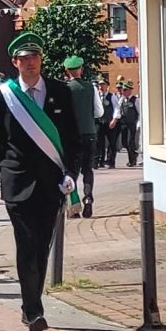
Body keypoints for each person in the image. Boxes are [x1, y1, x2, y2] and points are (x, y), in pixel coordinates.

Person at [0, 29, 84, 331]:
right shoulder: (4, 96)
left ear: (41, 60)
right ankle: (34, 310)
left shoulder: (59, 92)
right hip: (18, 183)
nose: (31, 63)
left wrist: (71, 172)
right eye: (24, 58)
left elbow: (72, 139)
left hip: (51, 183)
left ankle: (31, 305)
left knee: (41, 246)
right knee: (26, 244)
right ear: (15, 62)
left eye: (35, 57)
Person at [61, 54, 101, 219]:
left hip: (71, 136)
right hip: (89, 133)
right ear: (81, 69)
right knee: (87, 169)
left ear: (67, 70)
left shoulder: (64, 89)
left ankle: (74, 206)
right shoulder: (91, 88)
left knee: (71, 171)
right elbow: (99, 112)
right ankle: (88, 197)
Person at [119, 85, 142, 167]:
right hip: (124, 124)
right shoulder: (122, 100)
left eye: (125, 90)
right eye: (123, 90)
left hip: (132, 124)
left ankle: (132, 160)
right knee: (124, 142)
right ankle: (134, 154)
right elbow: (118, 110)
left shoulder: (135, 100)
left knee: (130, 142)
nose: (123, 91)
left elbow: (140, 112)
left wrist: (139, 122)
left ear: (130, 90)